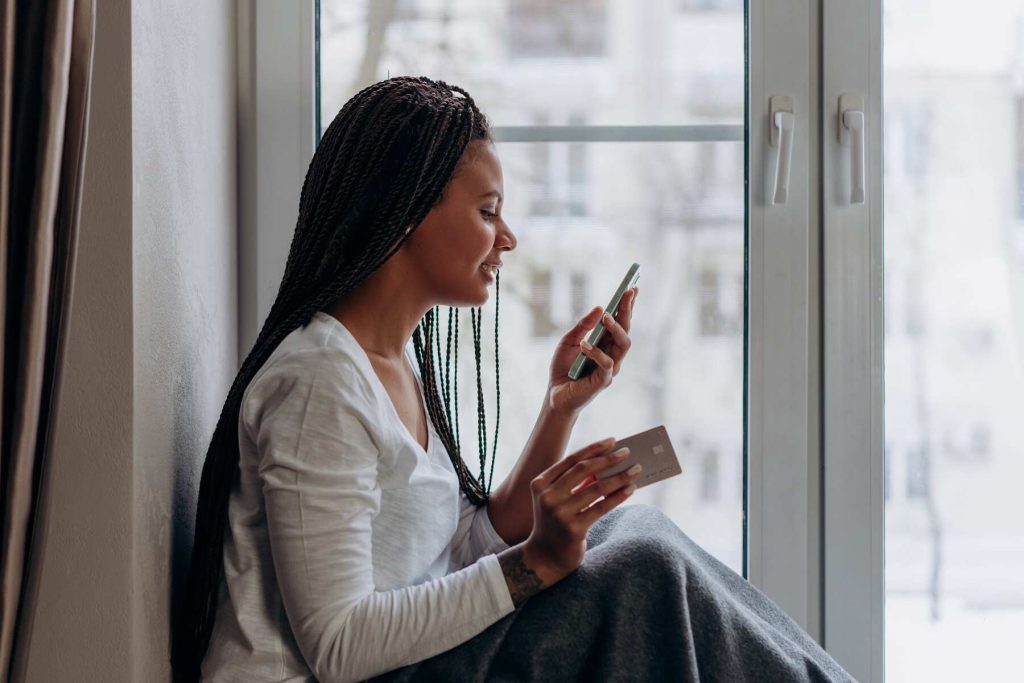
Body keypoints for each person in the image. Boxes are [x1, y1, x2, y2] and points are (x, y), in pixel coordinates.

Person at [174, 76, 855, 683]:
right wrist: (535, 564)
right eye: (487, 210)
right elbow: (338, 645)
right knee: (642, 567)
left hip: (411, 664)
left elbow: (461, 549)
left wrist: (560, 409)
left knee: (638, 531)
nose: (508, 237)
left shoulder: (391, 362)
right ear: (408, 210)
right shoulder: (321, 380)